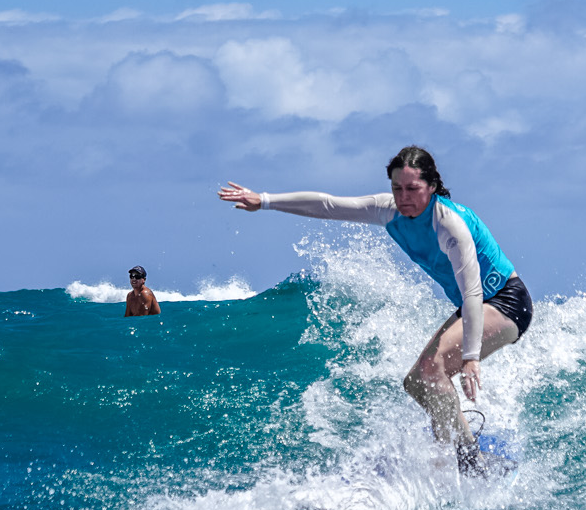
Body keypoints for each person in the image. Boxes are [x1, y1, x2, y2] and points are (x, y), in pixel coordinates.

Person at [219, 146, 531, 471]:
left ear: (433, 187)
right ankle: (449, 458)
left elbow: (471, 292)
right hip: (477, 305)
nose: (403, 196)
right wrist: (265, 200)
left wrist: (470, 358)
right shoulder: (389, 211)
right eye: (397, 188)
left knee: (430, 370)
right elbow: (329, 206)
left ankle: (470, 460)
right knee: (418, 382)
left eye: (413, 188)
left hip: (505, 301)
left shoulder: (450, 225)